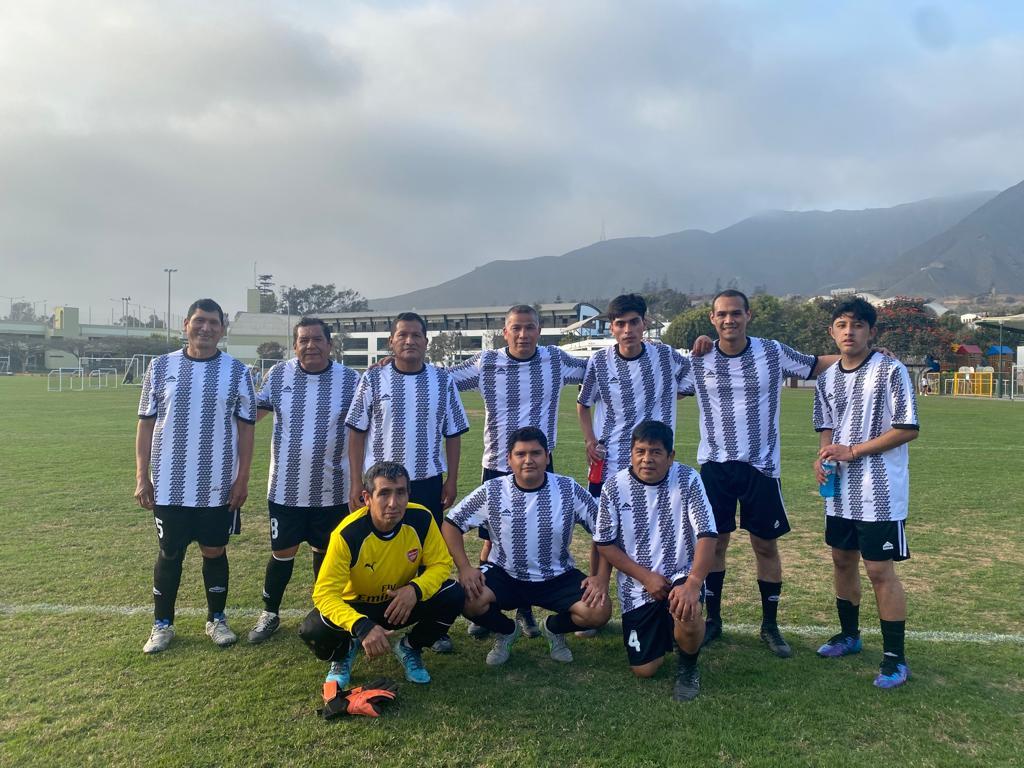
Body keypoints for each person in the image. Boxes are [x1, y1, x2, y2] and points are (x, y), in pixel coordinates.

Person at [685, 289, 840, 658]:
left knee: (766, 546)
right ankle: (714, 620)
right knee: (714, 544)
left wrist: (867, 355)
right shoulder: (698, 358)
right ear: (712, 319)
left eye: (736, 313)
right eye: (722, 314)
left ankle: (770, 625)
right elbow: (665, 387)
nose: (729, 320)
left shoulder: (771, 351)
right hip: (716, 467)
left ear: (748, 315)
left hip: (762, 467)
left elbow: (815, 364)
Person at [449, 304, 588, 639]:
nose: (523, 334)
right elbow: (442, 377)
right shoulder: (486, 362)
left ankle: (525, 609)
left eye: (529, 327)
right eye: (516, 327)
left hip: (539, 464)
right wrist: (393, 363)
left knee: (535, 536)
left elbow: (596, 369)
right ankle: (492, 608)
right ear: (505, 332)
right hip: (498, 465)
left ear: (539, 331)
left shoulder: (555, 360)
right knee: (492, 540)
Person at [134, 298, 256, 653]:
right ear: (185, 324)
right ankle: (162, 624)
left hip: (217, 485)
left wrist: (242, 479)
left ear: (222, 329)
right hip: (169, 484)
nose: (206, 328)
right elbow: (145, 424)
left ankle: (217, 619)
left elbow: (246, 429)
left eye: (213, 322)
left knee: (214, 551)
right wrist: (142, 476)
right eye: (199, 321)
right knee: (169, 552)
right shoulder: (160, 366)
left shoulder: (237, 371)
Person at [345, 312, 469, 652]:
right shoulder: (373, 378)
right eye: (403, 335)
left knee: (428, 554)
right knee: (373, 548)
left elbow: (453, 433)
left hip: (426, 481)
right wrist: (356, 482)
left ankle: (433, 626)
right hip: (380, 487)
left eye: (416, 335)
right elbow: (356, 431)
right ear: (391, 341)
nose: (410, 340)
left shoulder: (442, 380)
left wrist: (452, 479)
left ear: (426, 342)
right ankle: (363, 618)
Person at [812, 297, 918, 689]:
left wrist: (853, 451)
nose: (849, 332)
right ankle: (849, 635)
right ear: (832, 331)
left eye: (857, 325)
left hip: (881, 492)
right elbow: (826, 426)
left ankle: (895, 659)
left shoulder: (891, 370)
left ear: (871, 331)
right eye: (842, 325)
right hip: (839, 490)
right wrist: (823, 455)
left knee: (878, 570)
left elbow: (907, 428)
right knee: (842, 561)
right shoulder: (826, 379)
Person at [442, 427, 611, 666]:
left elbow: (604, 531)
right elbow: (451, 524)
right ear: (509, 459)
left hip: (557, 576)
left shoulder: (568, 489)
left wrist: (600, 577)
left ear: (547, 457)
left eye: (536, 453)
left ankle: (553, 628)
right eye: (520, 454)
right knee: (466, 597)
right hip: (506, 574)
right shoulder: (493, 490)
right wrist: (464, 568)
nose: (528, 460)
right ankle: (506, 631)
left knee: (600, 610)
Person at [298, 462, 465, 686]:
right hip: (357, 606)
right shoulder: (347, 534)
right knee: (313, 630)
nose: (393, 503)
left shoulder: (421, 518)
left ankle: (410, 647)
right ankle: (344, 652)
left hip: (399, 604)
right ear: (367, 498)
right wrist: (360, 625)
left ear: (408, 494)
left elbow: (441, 564)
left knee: (453, 594)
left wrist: (415, 589)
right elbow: (324, 594)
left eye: (400, 492)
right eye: (384, 493)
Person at [248, 317, 361, 644]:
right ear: (295, 345)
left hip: (333, 489)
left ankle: (324, 612)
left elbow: (365, 422)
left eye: (317, 339)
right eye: (303, 340)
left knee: (326, 553)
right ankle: (270, 613)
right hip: (286, 488)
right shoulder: (278, 374)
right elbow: (253, 413)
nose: (310, 345)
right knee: (282, 552)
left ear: (329, 344)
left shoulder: (350, 379)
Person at [594, 421, 717, 701]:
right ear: (631, 453)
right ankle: (669, 631)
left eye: (656, 452)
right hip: (638, 586)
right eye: (640, 451)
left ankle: (688, 666)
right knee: (644, 669)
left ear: (671, 456)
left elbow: (708, 535)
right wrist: (646, 577)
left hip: (681, 573)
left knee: (687, 607)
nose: (646, 459)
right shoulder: (614, 486)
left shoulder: (688, 479)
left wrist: (693, 583)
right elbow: (605, 543)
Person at [577, 294, 694, 497]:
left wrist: (663, 394)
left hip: (653, 460)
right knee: (604, 515)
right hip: (609, 462)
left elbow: (690, 381)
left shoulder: (664, 355)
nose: (628, 330)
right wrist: (589, 440)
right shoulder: (600, 361)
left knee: (655, 514)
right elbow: (583, 403)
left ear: (644, 324)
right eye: (620, 324)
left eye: (634, 322)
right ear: (612, 328)